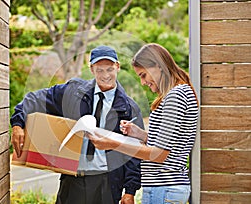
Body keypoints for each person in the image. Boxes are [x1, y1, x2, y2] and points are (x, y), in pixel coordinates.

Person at [10, 45, 145, 204]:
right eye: (99, 70)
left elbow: (135, 151)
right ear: (92, 69)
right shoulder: (73, 92)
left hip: (107, 184)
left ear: (118, 67)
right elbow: (34, 99)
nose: (105, 75)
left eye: (109, 69)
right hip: (73, 180)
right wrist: (18, 124)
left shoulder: (129, 107)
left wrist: (130, 191)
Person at [88, 43, 199, 204]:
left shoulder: (176, 96)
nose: (142, 82)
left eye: (143, 75)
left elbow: (159, 154)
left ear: (157, 66)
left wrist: (112, 144)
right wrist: (140, 134)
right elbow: (171, 144)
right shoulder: (177, 93)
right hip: (164, 189)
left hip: (164, 189)